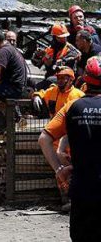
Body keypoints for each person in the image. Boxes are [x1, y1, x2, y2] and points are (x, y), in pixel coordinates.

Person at [38, 56, 101, 241]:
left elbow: (44, 139)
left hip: (82, 185)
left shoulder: (73, 106)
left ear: (84, 78)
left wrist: (59, 169)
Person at [32, 23, 81, 90]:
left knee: (47, 82)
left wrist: (46, 56)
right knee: (32, 87)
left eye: (64, 37)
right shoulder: (50, 49)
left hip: (65, 81)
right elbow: (37, 63)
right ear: (54, 37)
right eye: (60, 38)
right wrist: (37, 55)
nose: (63, 39)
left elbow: (56, 67)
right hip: (50, 80)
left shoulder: (72, 51)